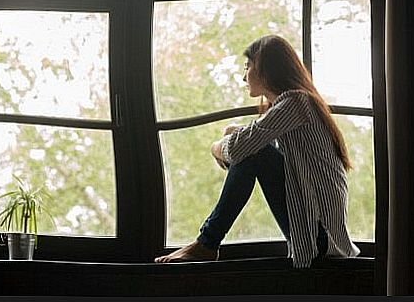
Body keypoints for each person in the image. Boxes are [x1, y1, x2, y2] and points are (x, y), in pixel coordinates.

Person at [154, 34, 360, 267]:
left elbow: (241, 148)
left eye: (247, 66)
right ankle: (207, 243)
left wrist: (216, 148)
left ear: (265, 68)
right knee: (253, 148)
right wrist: (235, 132)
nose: (244, 77)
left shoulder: (295, 102)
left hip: (320, 240)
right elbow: (253, 143)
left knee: (253, 151)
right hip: (317, 238)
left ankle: (207, 243)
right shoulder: (297, 106)